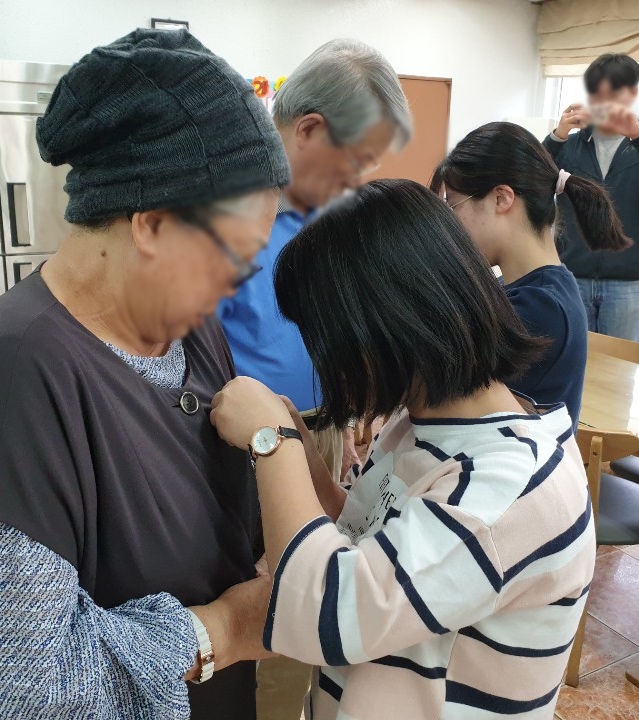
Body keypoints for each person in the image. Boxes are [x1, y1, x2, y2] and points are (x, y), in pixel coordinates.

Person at [0, 29, 291, 720]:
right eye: (233, 256)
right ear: (152, 224)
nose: (240, 286)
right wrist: (225, 629)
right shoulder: (13, 380)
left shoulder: (193, 330)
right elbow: (11, 684)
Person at [210, 179, 596, 720]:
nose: (325, 365)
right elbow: (369, 541)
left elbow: (328, 610)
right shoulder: (420, 424)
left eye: (326, 342)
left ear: (385, 329)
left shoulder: (510, 488)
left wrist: (272, 442)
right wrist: (308, 461)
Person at [218, 39, 411, 484]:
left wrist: (340, 419)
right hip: (247, 440)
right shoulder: (223, 216)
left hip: (323, 423)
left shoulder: (325, 212)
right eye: (354, 161)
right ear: (308, 130)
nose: (355, 181)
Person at [431, 121, 630, 425]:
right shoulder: (526, 290)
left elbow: (440, 392)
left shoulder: (540, 307)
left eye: (454, 207)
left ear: (501, 198)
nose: (451, 228)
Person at [544, 53, 639, 342]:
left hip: (628, 283)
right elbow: (528, 182)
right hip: (572, 276)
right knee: (572, 360)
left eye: (613, 94)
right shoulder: (570, 143)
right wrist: (557, 137)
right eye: (597, 94)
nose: (604, 102)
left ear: (632, 93)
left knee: (622, 366)